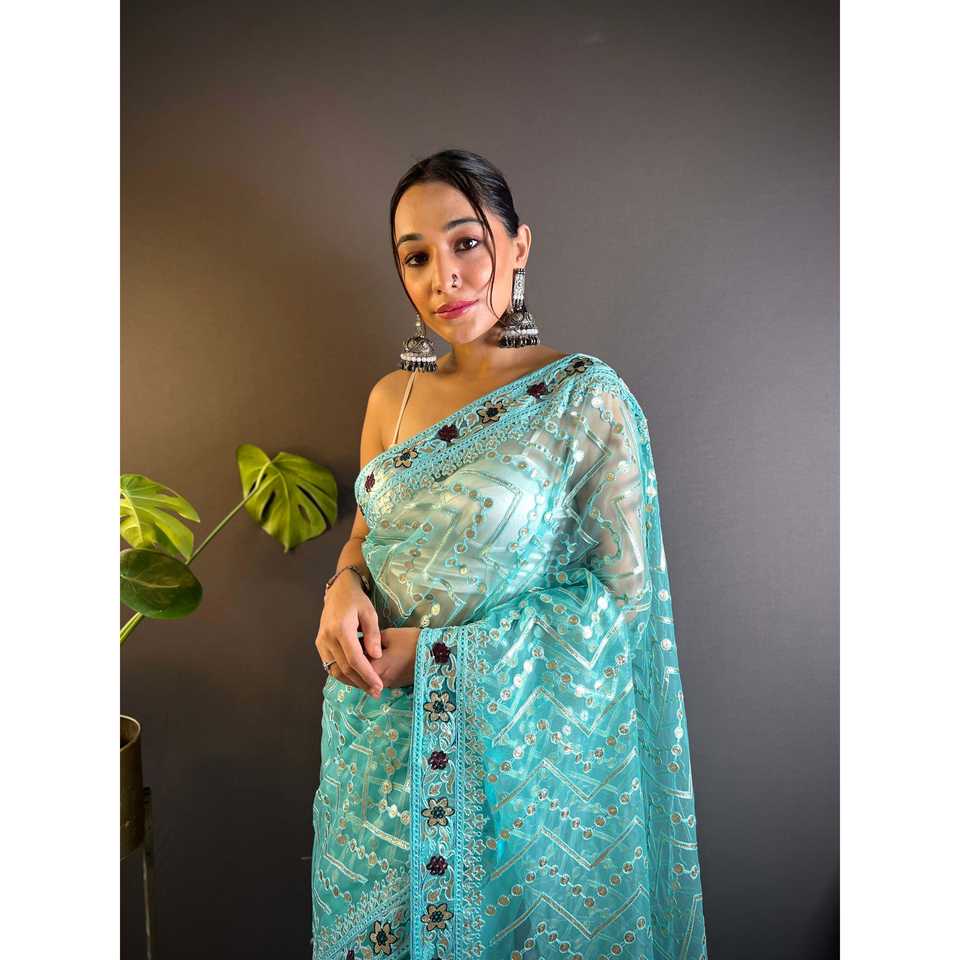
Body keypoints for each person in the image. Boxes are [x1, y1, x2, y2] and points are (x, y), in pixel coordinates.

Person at [310, 149, 708, 960]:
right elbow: (366, 533)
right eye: (416, 257)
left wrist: (442, 657)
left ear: (518, 246)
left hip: (511, 775)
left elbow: (621, 605)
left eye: (466, 243)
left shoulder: (583, 399)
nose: (444, 278)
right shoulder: (393, 399)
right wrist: (341, 584)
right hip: (373, 757)